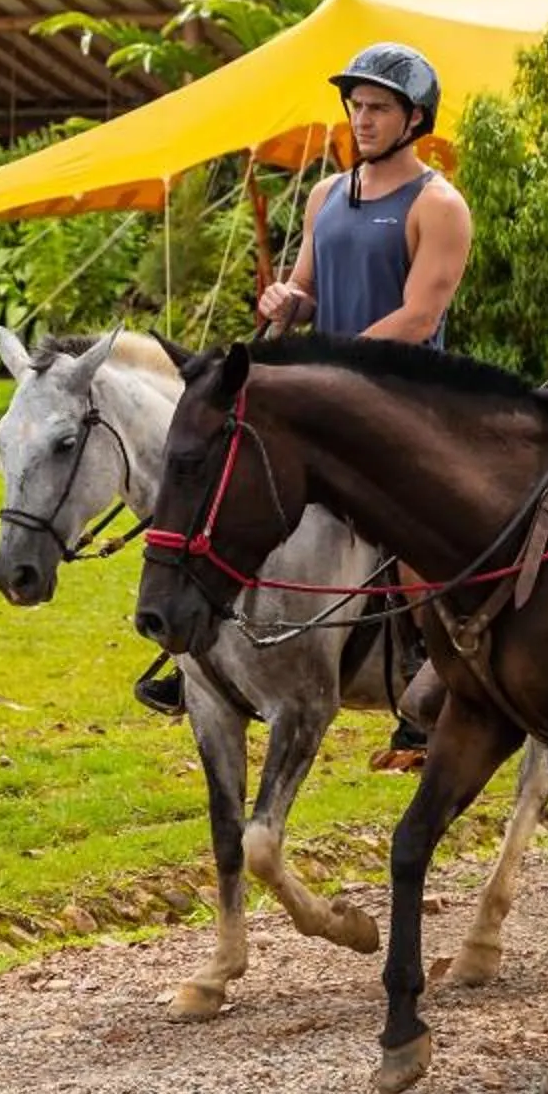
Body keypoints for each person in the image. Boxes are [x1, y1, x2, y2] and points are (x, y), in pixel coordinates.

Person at [132, 43, 473, 727]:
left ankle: (431, 659)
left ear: (414, 119)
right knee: (231, 487)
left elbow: (420, 314)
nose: (362, 119)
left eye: (378, 108)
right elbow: (306, 288)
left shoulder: (439, 204)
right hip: (320, 387)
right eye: (356, 106)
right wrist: (286, 302)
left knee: (407, 513)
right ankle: (197, 652)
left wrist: (331, 364)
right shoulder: (327, 195)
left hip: (399, 395)